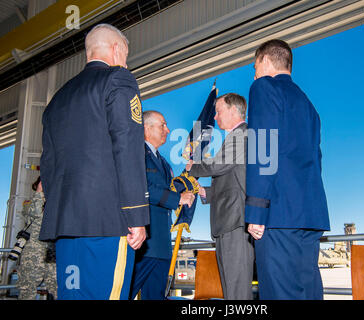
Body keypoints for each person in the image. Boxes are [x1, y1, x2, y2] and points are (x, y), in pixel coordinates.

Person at [39, 24, 149, 300]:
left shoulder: (58, 99)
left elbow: (48, 165)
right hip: (108, 222)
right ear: (116, 49)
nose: (126, 61)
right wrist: (136, 216)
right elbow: (128, 148)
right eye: (125, 54)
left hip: (66, 227)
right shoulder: (118, 79)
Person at [245, 39, 330, 300]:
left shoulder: (264, 87)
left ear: (266, 61)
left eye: (255, 66)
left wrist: (256, 209)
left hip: (279, 215)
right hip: (309, 215)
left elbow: (263, 148)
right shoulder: (309, 106)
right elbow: (316, 158)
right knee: (308, 293)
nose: (254, 72)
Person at [187, 93, 254, 300]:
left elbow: (217, 165)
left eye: (218, 111)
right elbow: (231, 179)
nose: (214, 118)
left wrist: (193, 167)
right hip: (227, 222)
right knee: (230, 288)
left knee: (237, 290)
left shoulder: (243, 134)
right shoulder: (235, 137)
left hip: (235, 221)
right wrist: (205, 191)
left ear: (233, 110)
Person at [129, 110, 195, 300]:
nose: (168, 129)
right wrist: (177, 199)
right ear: (146, 128)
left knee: (156, 296)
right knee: (126, 292)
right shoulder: (135, 154)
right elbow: (140, 188)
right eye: (162, 125)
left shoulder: (163, 162)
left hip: (161, 244)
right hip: (143, 242)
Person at [16, 177, 57, 300]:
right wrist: (39, 194)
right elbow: (35, 215)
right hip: (34, 251)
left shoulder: (55, 205)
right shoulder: (30, 204)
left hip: (52, 251)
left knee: (57, 290)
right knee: (27, 291)